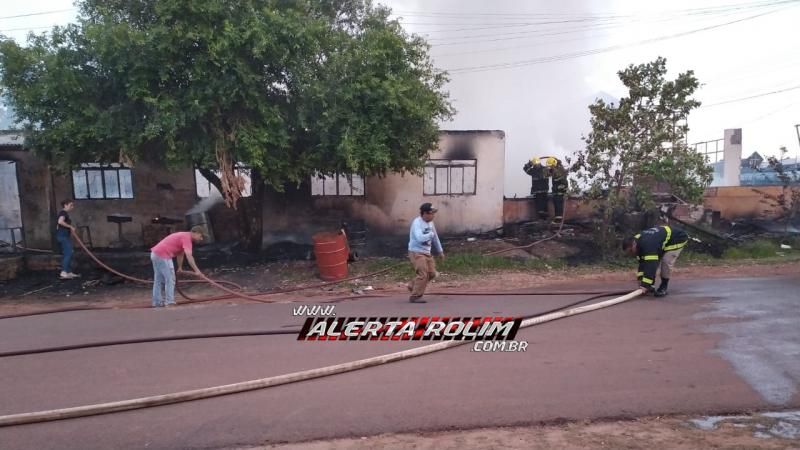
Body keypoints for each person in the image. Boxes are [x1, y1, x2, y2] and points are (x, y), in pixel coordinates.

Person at [622, 225, 688, 298]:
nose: (631, 253)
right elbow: (643, 264)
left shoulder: (648, 244)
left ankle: (663, 286)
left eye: (631, 251)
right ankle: (651, 285)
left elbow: (651, 265)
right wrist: (641, 280)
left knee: (665, 261)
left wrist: (645, 284)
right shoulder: (638, 243)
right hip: (660, 240)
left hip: (677, 238)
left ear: (634, 244)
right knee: (652, 259)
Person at [150, 225, 206, 308]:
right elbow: (189, 256)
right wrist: (197, 271)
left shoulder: (184, 236)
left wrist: (180, 267)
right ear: (195, 233)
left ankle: (157, 302)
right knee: (170, 279)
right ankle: (169, 302)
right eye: (201, 236)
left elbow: (180, 254)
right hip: (162, 255)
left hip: (156, 254)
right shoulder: (187, 238)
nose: (201, 239)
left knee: (158, 280)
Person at [407, 203, 445, 303]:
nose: (433, 216)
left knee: (432, 274)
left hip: (426, 252)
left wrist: (440, 251)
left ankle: (413, 285)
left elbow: (435, 238)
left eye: (433, 213)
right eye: (431, 213)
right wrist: (430, 234)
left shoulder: (431, 223)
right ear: (424, 213)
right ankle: (415, 296)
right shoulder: (417, 223)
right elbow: (420, 238)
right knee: (423, 274)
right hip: (416, 252)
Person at [56, 199, 80, 280]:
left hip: (64, 236)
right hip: (62, 236)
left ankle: (68, 272)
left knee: (68, 252)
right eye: (71, 205)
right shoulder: (63, 213)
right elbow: (60, 222)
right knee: (68, 253)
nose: (72, 207)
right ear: (65, 205)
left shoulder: (64, 213)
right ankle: (63, 272)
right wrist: (70, 226)